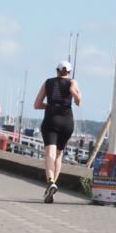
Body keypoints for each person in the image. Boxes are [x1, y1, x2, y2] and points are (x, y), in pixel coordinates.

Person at [33, 60, 82, 203]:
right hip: (67, 122)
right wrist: (73, 92)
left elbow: (36, 105)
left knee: (50, 153)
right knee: (59, 155)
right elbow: (78, 101)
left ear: (57, 70)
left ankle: (50, 181)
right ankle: (52, 187)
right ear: (69, 72)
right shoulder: (73, 82)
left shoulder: (48, 82)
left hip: (51, 119)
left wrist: (49, 105)